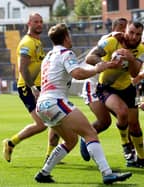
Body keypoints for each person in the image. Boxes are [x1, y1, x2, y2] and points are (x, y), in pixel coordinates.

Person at [34, 23, 132, 184]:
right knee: (90, 133)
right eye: (69, 35)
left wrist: (105, 65)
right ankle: (107, 173)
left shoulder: (49, 56)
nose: (70, 38)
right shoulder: (66, 53)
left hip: (42, 105)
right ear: (66, 37)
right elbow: (78, 73)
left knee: (71, 140)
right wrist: (96, 70)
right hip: (55, 101)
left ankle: (44, 173)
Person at [82, 21, 144, 169]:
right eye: (131, 32)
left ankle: (141, 158)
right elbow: (89, 57)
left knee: (135, 125)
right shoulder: (113, 41)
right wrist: (106, 64)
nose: (134, 36)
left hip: (127, 88)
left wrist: (131, 59)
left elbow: (134, 72)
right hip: (106, 87)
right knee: (122, 112)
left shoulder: (139, 48)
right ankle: (126, 145)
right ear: (126, 30)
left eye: (138, 34)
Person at [2, 13, 59, 162]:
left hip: (41, 86)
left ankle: (50, 155)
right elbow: (22, 68)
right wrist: (33, 87)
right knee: (41, 125)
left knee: (57, 118)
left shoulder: (37, 41)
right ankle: (10, 143)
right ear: (29, 23)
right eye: (36, 22)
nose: (39, 24)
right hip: (28, 87)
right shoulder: (27, 43)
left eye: (41, 21)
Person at [80, 18, 128, 162]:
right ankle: (85, 137)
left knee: (124, 116)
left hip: (108, 87)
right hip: (93, 85)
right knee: (104, 121)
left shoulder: (126, 45)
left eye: (125, 28)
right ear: (114, 28)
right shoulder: (107, 39)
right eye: (120, 27)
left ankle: (131, 153)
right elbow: (94, 54)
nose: (123, 31)